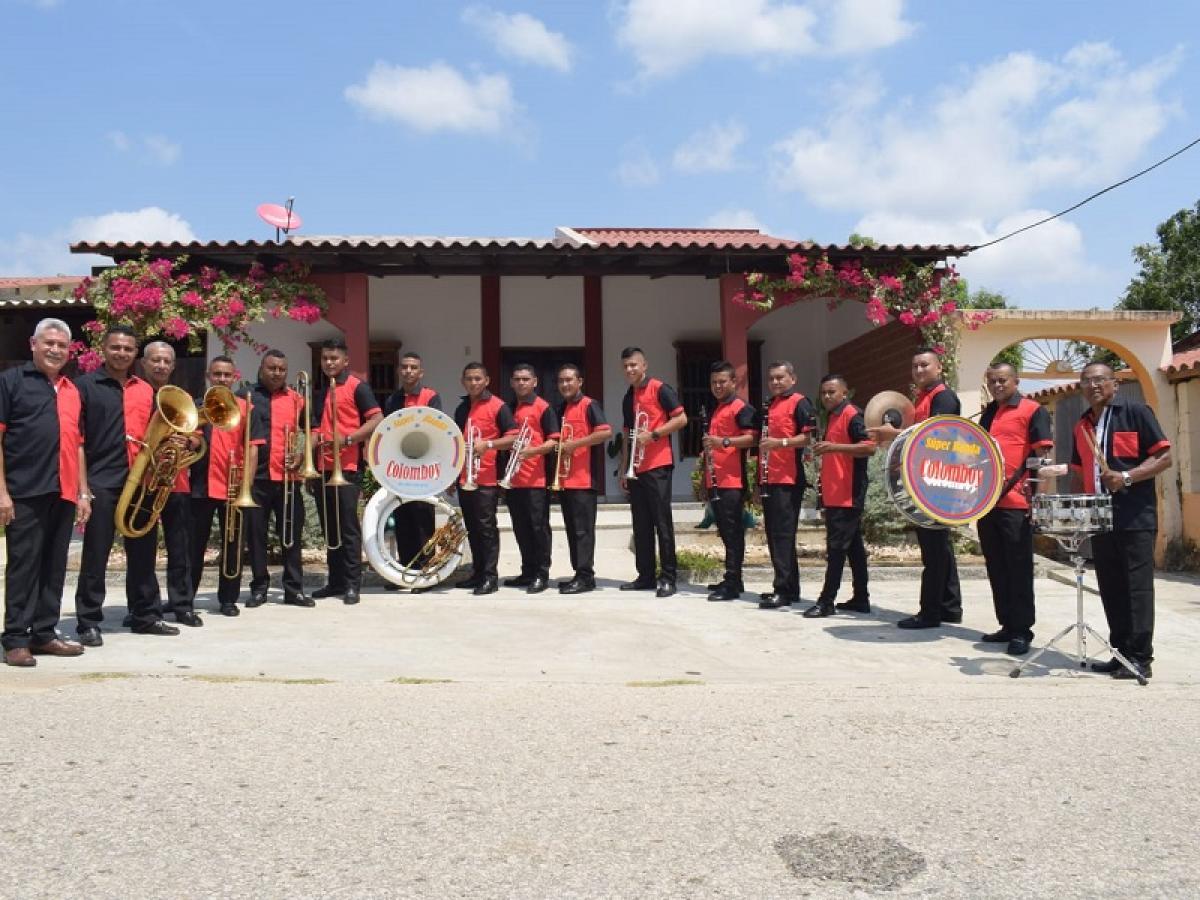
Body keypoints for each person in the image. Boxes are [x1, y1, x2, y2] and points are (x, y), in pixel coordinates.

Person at [74, 325, 178, 644]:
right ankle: (88, 620)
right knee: (96, 554)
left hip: (142, 481)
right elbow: (77, 441)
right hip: (102, 481)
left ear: (136, 354)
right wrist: (83, 489)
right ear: (104, 349)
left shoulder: (147, 390)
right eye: (116, 348)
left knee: (144, 552)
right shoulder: (84, 387)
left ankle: (145, 615)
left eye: (128, 349)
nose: (122, 353)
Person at [1066, 362, 1170, 680]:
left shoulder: (1136, 412)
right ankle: (1120, 653)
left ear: (1114, 384)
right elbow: (1079, 472)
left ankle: (1140, 657)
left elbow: (1164, 456)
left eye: (1100, 380)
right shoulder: (1081, 425)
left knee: (1137, 588)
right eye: (1086, 381)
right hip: (1100, 519)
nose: (1093, 385)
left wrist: (1126, 476)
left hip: (1135, 515)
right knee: (1111, 587)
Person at [1, 318, 89, 667]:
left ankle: (44, 634)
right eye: (48, 343)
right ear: (33, 344)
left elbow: (79, 445)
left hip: (64, 490)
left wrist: (84, 492)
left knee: (54, 566)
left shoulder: (71, 389)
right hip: (25, 490)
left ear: (69, 351)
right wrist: (2, 494)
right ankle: (15, 639)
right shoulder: (10, 382)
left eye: (62, 345)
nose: (55, 349)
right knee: (24, 566)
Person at [868, 348, 963, 629]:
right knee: (940, 546)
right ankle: (949, 606)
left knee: (933, 548)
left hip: (937, 480)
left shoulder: (944, 397)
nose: (919, 370)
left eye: (924, 365)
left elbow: (936, 436)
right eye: (915, 366)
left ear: (939, 368)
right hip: (926, 478)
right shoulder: (924, 398)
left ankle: (930, 612)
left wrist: (893, 435)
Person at [976, 362, 1053, 656]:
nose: (997, 385)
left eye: (1003, 380)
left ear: (1016, 381)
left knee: (1019, 569)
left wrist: (1039, 500)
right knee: (996, 566)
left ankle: (1022, 631)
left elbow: (1042, 456)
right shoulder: (989, 412)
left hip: (1017, 503)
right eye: (992, 381)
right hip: (987, 503)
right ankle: (1006, 624)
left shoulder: (1034, 410)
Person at [188, 356, 263, 616]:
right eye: (217, 374)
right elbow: (193, 441)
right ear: (209, 376)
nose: (221, 379)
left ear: (234, 377)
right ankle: (185, 599)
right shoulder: (198, 407)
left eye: (226, 375)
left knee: (233, 546)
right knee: (193, 547)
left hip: (233, 486)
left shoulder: (246, 407)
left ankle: (228, 599)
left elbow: (253, 449)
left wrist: (246, 486)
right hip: (201, 485)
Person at [312, 338, 383, 605]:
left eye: (333, 358)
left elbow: (377, 419)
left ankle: (353, 584)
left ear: (345, 361)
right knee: (331, 529)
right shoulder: (322, 390)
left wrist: (350, 439)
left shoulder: (357, 387)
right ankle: (335, 581)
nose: (329, 363)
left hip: (348, 466)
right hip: (323, 466)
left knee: (348, 529)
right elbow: (318, 428)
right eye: (325, 359)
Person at [139, 341, 201, 626]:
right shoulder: (133, 393)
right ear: (144, 363)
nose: (161, 365)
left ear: (173, 366)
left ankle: (182, 605)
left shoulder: (182, 397)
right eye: (156, 360)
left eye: (166, 361)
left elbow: (198, 437)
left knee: (180, 547)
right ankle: (141, 607)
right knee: (141, 549)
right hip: (142, 482)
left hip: (175, 483)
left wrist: (187, 440)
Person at [618, 347, 687, 598]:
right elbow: (628, 434)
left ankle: (668, 577)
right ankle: (645, 575)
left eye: (634, 365)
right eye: (625, 366)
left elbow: (682, 419)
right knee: (641, 524)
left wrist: (655, 434)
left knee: (662, 523)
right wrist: (625, 468)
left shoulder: (660, 388)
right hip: (637, 467)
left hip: (658, 464)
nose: (629, 370)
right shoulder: (629, 396)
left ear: (644, 365)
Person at [246, 350, 312, 608]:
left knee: (292, 536)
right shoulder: (247, 396)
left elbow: (313, 431)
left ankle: (294, 590)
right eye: (271, 368)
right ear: (261, 368)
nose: (276, 373)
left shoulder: (297, 399)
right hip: (257, 478)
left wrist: (301, 457)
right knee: (256, 537)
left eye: (281, 369)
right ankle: (259, 588)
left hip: (288, 478)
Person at [805, 374, 875, 618]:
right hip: (836, 493)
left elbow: (869, 447)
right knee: (853, 548)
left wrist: (834, 447)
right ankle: (861, 598)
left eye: (831, 392)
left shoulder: (853, 415)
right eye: (823, 393)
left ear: (844, 393)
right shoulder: (832, 416)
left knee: (835, 550)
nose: (826, 396)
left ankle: (826, 601)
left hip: (848, 494)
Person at [452, 362, 518, 595]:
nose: (473, 383)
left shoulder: (498, 406)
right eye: (469, 379)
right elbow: (456, 442)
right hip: (464, 476)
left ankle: (490, 577)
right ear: (463, 381)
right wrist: (452, 477)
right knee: (472, 527)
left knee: (486, 528)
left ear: (487, 380)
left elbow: (513, 437)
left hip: (487, 478)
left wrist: (488, 444)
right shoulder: (461, 408)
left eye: (478, 378)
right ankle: (478, 573)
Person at [755, 361, 816, 609]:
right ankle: (789, 588)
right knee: (774, 535)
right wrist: (759, 482)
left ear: (793, 378)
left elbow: (809, 437)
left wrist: (779, 444)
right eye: (771, 379)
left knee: (783, 535)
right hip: (770, 478)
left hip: (788, 479)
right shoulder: (770, 405)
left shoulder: (800, 402)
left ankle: (783, 589)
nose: (775, 382)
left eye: (780, 377)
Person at [382, 352, 442, 590]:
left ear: (421, 372)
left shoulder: (431, 396)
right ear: (399, 370)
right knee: (404, 520)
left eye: (413, 367)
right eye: (404, 367)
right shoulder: (392, 399)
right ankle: (406, 573)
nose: (408, 371)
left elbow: (436, 428)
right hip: (401, 467)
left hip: (424, 468)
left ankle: (426, 574)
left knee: (423, 523)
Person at [701, 361, 758, 602]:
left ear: (734, 382)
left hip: (733, 480)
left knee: (733, 533)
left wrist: (722, 442)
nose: (717, 386)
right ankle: (733, 577)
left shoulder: (741, 407)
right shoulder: (718, 408)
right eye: (714, 382)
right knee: (725, 531)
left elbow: (752, 438)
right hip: (716, 479)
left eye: (722, 382)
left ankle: (733, 582)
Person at [502, 364, 560, 594]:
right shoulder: (508, 408)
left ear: (535, 381)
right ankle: (527, 571)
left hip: (536, 480)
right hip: (513, 480)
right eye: (517, 379)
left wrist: (531, 452)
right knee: (520, 528)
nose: (521, 383)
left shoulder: (544, 407)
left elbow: (553, 441)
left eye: (526, 379)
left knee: (538, 529)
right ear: (511, 382)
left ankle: (541, 573)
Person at [554, 364, 611, 594]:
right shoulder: (562, 408)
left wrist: (574, 444)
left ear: (580, 381)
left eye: (569, 380)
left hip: (584, 479)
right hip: (566, 479)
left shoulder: (590, 405)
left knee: (583, 531)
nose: (565, 384)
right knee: (571, 529)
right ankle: (579, 573)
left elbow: (605, 432)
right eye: (561, 381)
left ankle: (586, 576)